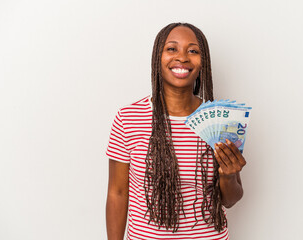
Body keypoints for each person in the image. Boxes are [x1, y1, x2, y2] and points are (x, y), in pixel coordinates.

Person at [105, 22, 246, 240]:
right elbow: (117, 192)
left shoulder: (220, 120)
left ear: (203, 63)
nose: (182, 57)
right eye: (172, 49)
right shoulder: (129, 118)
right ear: (157, 58)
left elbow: (230, 199)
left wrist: (228, 176)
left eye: (193, 51)